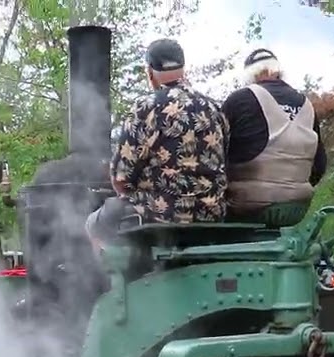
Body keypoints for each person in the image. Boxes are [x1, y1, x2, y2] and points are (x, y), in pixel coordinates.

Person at [84, 37, 229, 248]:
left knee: (94, 223)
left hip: (160, 216)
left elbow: (121, 179)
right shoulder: (214, 108)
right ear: (183, 68)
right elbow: (224, 159)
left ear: (150, 73)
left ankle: (109, 269)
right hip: (211, 216)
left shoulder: (147, 108)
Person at [220, 48, 328, 222]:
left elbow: (217, 153)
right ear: (278, 71)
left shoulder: (239, 100)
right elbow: (320, 165)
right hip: (298, 206)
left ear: (251, 74)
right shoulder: (307, 106)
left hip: (246, 205)